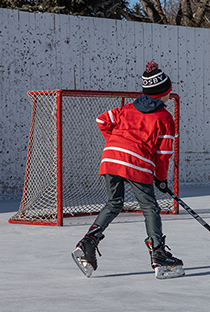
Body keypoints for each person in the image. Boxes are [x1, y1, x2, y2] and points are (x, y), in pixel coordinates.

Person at [71, 61, 184, 279]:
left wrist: (116, 144)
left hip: (110, 158)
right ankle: (158, 253)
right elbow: (163, 156)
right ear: (162, 94)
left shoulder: (127, 109)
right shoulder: (165, 118)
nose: (170, 97)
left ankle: (87, 242)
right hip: (136, 163)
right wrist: (161, 179)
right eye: (168, 93)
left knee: (114, 203)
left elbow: (101, 119)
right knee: (150, 208)